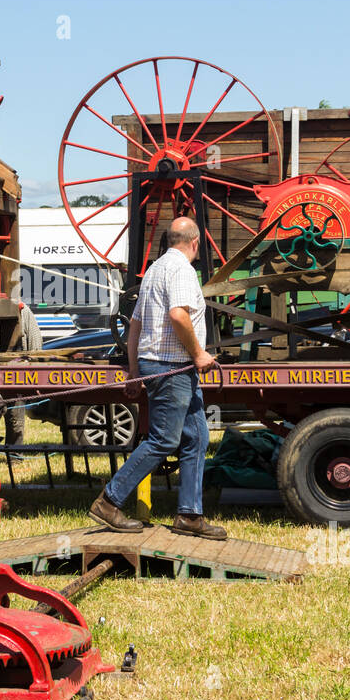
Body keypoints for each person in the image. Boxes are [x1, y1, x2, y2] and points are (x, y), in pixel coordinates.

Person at [88, 217, 226, 540]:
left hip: (163, 366)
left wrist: (135, 370)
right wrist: (199, 355)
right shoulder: (182, 270)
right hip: (172, 367)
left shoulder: (153, 270)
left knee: (196, 437)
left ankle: (190, 515)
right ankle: (110, 500)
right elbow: (178, 315)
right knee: (164, 440)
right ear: (195, 243)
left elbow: (134, 325)